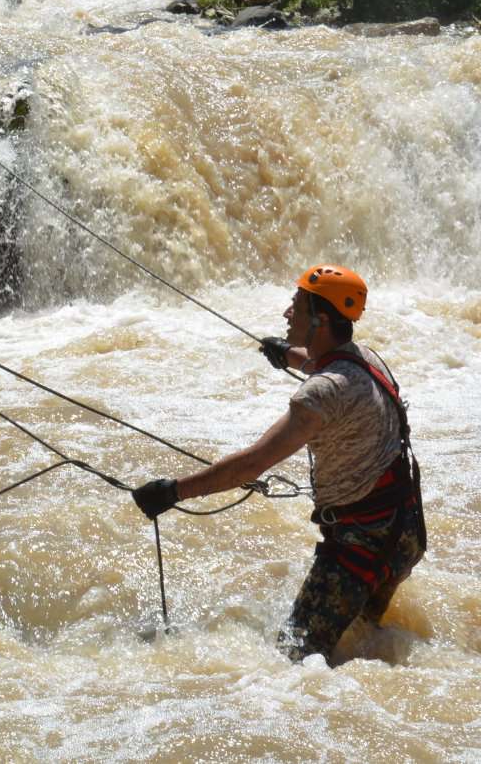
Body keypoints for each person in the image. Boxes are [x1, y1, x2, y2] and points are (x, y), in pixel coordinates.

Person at [132, 264, 426, 662]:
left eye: (297, 307)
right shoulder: (368, 359)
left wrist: (172, 492)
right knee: (361, 642)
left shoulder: (320, 395)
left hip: (361, 546)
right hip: (404, 531)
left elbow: (251, 465)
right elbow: (326, 365)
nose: (288, 314)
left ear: (321, 320)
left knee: (293, 662)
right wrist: (287, 354)